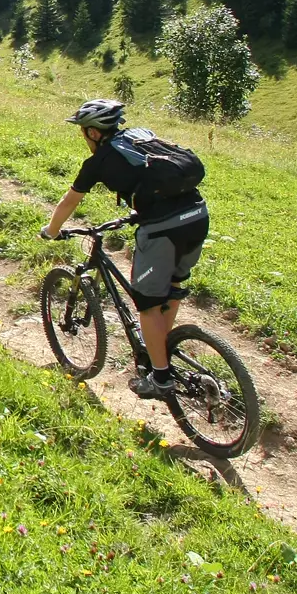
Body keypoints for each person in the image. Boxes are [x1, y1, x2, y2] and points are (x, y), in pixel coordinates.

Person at [39, 98, 209, 400]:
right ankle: (161, 347)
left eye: (83, 130)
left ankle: (160, 378)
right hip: (197, 216)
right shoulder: (142, 135)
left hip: (162, 229)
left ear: (93, 133)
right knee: (172, 287)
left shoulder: (99, 161)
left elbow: (69, 201)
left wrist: (51, 231)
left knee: (146, 303)